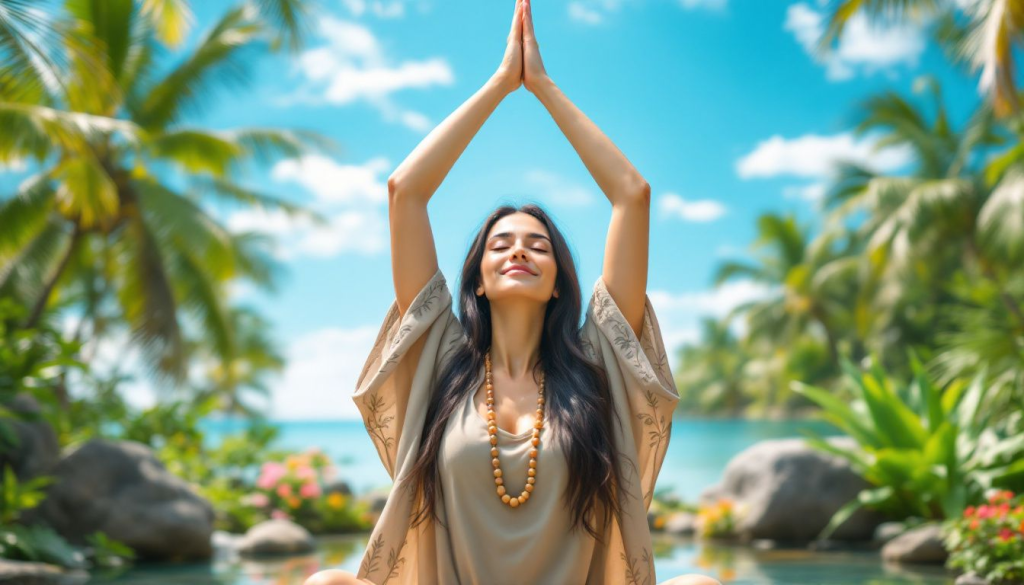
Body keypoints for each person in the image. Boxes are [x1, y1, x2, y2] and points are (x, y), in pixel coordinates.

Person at [304, 1, 721, 583]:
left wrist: (542, 87)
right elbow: (405, 192)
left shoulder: (599, 363)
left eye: (539, 245)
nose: (519, 251)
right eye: (500, 245)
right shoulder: (442, 361)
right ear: (477, 277)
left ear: (558, 284)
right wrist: (501, 85)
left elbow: (632, 195)